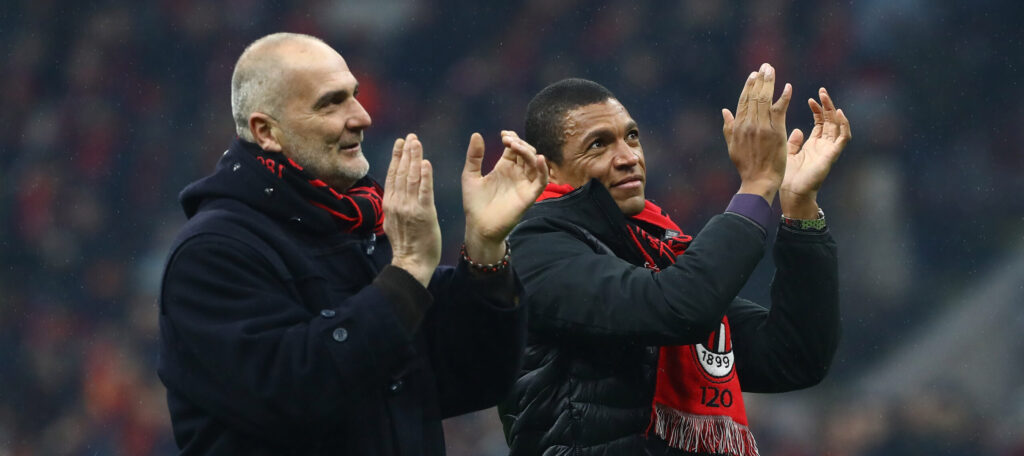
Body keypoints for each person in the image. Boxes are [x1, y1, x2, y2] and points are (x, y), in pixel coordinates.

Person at [157, 32, 548, 455]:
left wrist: (486, 253)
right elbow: (295, 397)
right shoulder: (212, 253)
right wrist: (406, 274)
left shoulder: (362, 229)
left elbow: (475, 377)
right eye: (331, 103)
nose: (362, 117)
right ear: (266, 131)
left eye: (355, 96)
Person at [498, 65, 851, 455]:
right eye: (598, 144)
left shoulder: (654, 254)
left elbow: (794, 357)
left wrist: (800, 209)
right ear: (547, 169)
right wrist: (756, 187)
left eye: (632, 136)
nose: (628, 157)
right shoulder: (534, 248)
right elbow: (678, 309)